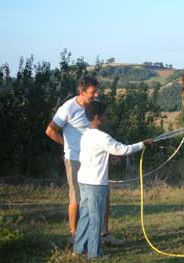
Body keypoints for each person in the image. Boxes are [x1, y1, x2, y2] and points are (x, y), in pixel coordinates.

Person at [45, 76, 124, 245]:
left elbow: (100, 133)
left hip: (94, 158)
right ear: (81, 92)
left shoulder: (95, 106)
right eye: (92, 92)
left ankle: (105, 234)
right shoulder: (67, 108)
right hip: (74, 159)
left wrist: (111, 153)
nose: (96, 95)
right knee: (77, 198)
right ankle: (75, 236)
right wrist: (68, 146)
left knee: (103, 195)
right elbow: (50, 131)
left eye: (97, 91)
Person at [73, 100, 153, 259]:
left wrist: (107, 159)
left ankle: (79, 249)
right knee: (96, 219)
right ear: (97, 117)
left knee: (85, 216)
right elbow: (124, 149)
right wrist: (142, 144)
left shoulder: (86, 134)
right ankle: (94, 255)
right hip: (96, 184)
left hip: (83, 180)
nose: (107, 116)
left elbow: (90, 155)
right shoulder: (103, 137)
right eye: (105, 114)